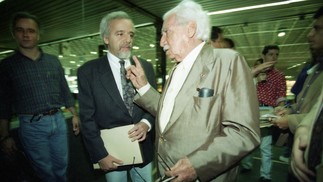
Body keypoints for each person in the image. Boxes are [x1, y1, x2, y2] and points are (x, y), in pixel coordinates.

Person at [127, 0, 260, 181]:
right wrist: (143, 87)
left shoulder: (227, 61)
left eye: (166, 32)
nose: (161, 42)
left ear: (190, 29)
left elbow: (244, 132)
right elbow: (173, 116)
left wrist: (197, 165)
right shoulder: (174, 70)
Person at [77, 11, 157, 182]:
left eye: (131, 34)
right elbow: (87, 119)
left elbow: (155, 104)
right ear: (106, 38)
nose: (127, 39)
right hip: (111, 153)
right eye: (120, 34)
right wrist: (100, 155)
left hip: (143, 149)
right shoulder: (88, 72)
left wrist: (146, 123)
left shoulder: (145, 67)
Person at [0, 12, 80, 182]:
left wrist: (74, 114)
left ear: (38, 34)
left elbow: (64, 90)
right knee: (44, 171)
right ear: (14, 34)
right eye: (21, 30)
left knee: (62, 167)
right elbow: (3, 104)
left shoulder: (53, 61)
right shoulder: (8, 65)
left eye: (31, 30)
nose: (26, 34)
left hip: (58, 121)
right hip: (31, 126)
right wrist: (5, 136)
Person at [287, 6, 323, 182]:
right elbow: (314, 106)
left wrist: (291, 120)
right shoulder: (313, 68)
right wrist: (304, 126)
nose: (310, 35)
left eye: (317, 28)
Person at [248, 45, 287, 182]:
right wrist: (254, 79)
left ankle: (266, 176)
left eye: (276, 54)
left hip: (268, 112)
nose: (274, 57)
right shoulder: (252, 72)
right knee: (248, 141)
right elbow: (242, 90)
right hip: (252, 111)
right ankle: (246, 164)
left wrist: (280, 109)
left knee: (266, 146)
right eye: (270, 54)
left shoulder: (279, 75)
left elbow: (281, 95)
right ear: (263, 56)